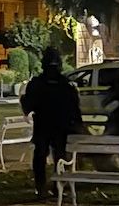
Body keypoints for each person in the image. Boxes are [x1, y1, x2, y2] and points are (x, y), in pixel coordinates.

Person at [21, 47, 82, 200]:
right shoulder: (65, 84)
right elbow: (74, 107)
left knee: (40, 156)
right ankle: (57, 187)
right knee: (59, 157)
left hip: (43, 125)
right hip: (61, 126)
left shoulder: (37, 83)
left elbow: (28, 105)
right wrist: (77, 124)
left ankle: (41, 187)